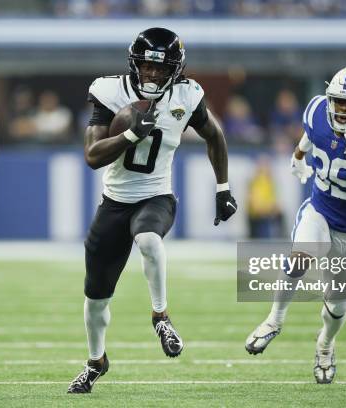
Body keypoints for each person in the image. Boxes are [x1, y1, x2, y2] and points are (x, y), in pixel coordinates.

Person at [68, 27, 238, 394]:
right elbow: (92, 156)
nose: (153, 75)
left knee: (147, 238)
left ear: (175, 69)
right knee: (95, 300)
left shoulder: (187, 94)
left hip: (156, 196)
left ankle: (161, 316)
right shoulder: (110, 92)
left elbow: (215, 135)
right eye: (146, 67)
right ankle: (96, 361)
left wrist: (223, 187)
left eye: (161, 70)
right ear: (134, 64)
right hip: (114, 203)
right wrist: (130, 135)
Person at [245, 65, 346, 384]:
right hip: (320, 210)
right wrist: (299, 156)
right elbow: (311, 135)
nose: (342, 109)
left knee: (336, 309)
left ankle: (325, 345)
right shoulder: (318, 110)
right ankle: (274, 320)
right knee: (300, 258)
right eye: (338, 101)